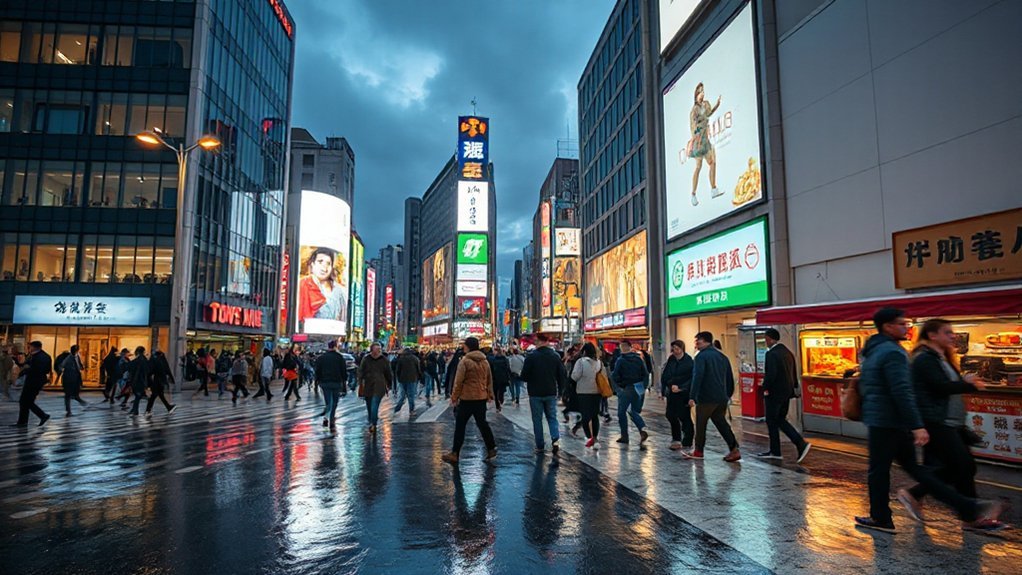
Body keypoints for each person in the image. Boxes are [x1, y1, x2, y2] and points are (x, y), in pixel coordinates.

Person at [854, 308, 1002, 533]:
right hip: (890, 420)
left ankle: (883, 517)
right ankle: (966, 507)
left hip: (883, 421)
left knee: (884, 470)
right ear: (887, 326)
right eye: (901, 324)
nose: (907, 327)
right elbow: (902, 391)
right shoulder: (894, 353)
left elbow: (876, 387)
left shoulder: (872, 350)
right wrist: (916, 424)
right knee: (907, 469)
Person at [899, 319, 1005, 531]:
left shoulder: (940, 357)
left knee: (963, 467)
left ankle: (966, 516)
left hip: (950, 422)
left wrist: (964, 380)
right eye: (947, 332)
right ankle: (965, 514)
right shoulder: (924, 359)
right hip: (937, 422)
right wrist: (968, 385)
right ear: (932, 335)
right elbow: (939, 387)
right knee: (961, 466)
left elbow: (945, 384)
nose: (952, 336)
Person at [683, 332, 740, 462]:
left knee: (701, 424)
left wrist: (692, 396)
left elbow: (698, 377)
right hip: (721, 397)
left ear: (706, 341)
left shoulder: (701, 357)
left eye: (698, 341)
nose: (696, 344)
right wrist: (728, 394)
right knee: (721, 423)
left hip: (706, 397)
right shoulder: (722, 356)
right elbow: (729, 377)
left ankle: (698, 451)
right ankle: (734, 449)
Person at [756, 329, 811, 462]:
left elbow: (771, 374)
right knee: (780, 419)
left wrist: (764, 388)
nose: (765, 342)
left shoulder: (771, 354)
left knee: (772, 420)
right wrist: (794, 387)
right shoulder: (788, 353)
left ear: (769, 339)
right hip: (786, 392)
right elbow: (793, 372)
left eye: (766, 339)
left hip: (774, 393)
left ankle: (793, 445)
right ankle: (784, 447)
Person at [441, 337, 497, 464]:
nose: (463, 347)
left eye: (465, 345)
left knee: (460, 426)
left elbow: (458, 381)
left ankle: (455, 453)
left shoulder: (465, 361)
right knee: (482, 423)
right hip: (481, 397)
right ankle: (491, 448)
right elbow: (489, 379)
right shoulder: (485, 361)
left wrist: (454, 397)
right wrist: (490, 394)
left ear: (469, 346)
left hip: (467, 398)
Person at [520, 333, 566, 454]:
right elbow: (561, 375)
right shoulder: (555, 356)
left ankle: (540, 445)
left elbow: (524, 376)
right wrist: (561, 391)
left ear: (539, 342)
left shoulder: (531, 357)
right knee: (552, 417)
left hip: (535, 393)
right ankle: (555, 439)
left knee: (537, 419)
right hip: (551, 391)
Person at [688, 81, 722, 206]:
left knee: (712, 163)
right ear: (696, 94)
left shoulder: (705, 105)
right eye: (699, 92)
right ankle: (693, 194)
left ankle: (713, 188)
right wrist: (696, 137)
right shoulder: (694, 110)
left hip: (705, 140)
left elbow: (709, 113)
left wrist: (717, 105)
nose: (702, 94)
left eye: (703, 91)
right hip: (698, 142)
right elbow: (693, 126)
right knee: (698, 167)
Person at [297, 247, 347, 329]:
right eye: (320, 262)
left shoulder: (338, 290)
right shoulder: (303, 284)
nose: (324, 267)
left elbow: (343, 315)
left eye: (328, 263)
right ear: (312, 264)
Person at [611, 340, 650, 445]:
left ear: (622, 347)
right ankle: (642, 429)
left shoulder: (620, 360)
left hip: (626, 388)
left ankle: (625, 436)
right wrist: (644, 386)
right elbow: (645, 373)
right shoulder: (638, 359)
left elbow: (614, 375)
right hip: (639, 387)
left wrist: (619, 388)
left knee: (621, 412)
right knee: (634, 411)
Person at [571, 342, 605, 449]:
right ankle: (594, 438)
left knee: (585, 416)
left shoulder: (580, 362)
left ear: (584, 351)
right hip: (597, 393)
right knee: (594, 416)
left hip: (583, 392)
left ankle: (589, 437)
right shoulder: (599, 363)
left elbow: (575, 376)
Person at [661, 340, 694, 451]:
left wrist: (681, 388)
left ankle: (687, 440)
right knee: (670, 414)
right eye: (673, 348)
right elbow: (665, 375)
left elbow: (691, 378)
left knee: (684, 416)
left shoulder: (689, 361)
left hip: (684, 393)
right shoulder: (671, 360)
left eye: (677, 348)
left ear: (682, 349)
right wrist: (669, 386)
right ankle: (676, 438)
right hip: (672, 392)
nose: (674, 351)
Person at [12, 341, 52, 427]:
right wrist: (16, 360)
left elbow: (37, 369)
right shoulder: (38, 356)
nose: (29, 349)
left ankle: (42, 416)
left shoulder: (40, 357)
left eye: (30, 347)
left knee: (26, 401)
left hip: (34, 382)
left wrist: (26, 370)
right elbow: (25, 365)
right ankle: (23, 422)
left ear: (34, 347)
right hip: (33, 381)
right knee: (24, 401)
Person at [357, 343, 391, 433]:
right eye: (377, 349)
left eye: (379, 349)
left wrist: (389, 383)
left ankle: (373, 423)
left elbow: (388, 373)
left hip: (377, 384)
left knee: (374, 403)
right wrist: (360, 382)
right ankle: (372, 421)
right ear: (372, 349)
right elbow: (361, 371)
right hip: (370, 384)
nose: (379, 350)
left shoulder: (382, 359)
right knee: (370, 404)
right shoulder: (369, 359)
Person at [315, 340, 347, 430]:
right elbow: (343, 370)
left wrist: (317, 380)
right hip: (336, 382)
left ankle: (326, 417)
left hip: (325, 382)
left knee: (328, 401)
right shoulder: (339, 357)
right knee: (335, 402)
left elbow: (317, 370)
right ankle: (331, 418)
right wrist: (344, 381)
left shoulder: (322, 357)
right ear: (335, 346)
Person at [58, 345, 88, 416]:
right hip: (68, 378)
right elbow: (62, 365)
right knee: (68, 395)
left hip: (76, 378)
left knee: (75, 394)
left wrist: (81, 367)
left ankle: (81, 402)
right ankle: (68, 411)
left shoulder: (77, 356)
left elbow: (80, 365)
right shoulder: (68, 358)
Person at [145, 351, 177, 416]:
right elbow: (167, 370)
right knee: (156, 395)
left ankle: (168, 407)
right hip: (159, 381)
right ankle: (148, 411)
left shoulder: (156, 360)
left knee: (158, 395)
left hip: (157, 381)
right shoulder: (161, 361)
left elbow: (151, 371)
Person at [393, 347, 422, 415]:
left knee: (402, 396)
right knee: (411, 395)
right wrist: (419, 377)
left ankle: (397, 408)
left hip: (402, 379)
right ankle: (411, 410)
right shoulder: (415, 358)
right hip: (412, 379)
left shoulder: (401, 359)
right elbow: (418, 369)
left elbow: (398, 370)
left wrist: (399, 378)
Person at [127, 346, 151, 417]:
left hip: (137, 380)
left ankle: (135, 411)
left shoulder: (137, 360)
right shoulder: (144, 360)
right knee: (139, 395)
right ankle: (135, 410)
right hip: (142, 380)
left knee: (138, 396)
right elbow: (148, 370)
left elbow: (130, 367)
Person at [488, 345, 512, 413]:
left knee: (496, 392)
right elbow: (508, 369)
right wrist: (509, 377)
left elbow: (491, 369)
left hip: (495, 378)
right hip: (503, 379)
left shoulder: (493, 360)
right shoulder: (505, 359)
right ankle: (501, 401)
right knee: (501, 391)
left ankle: (498, 406)